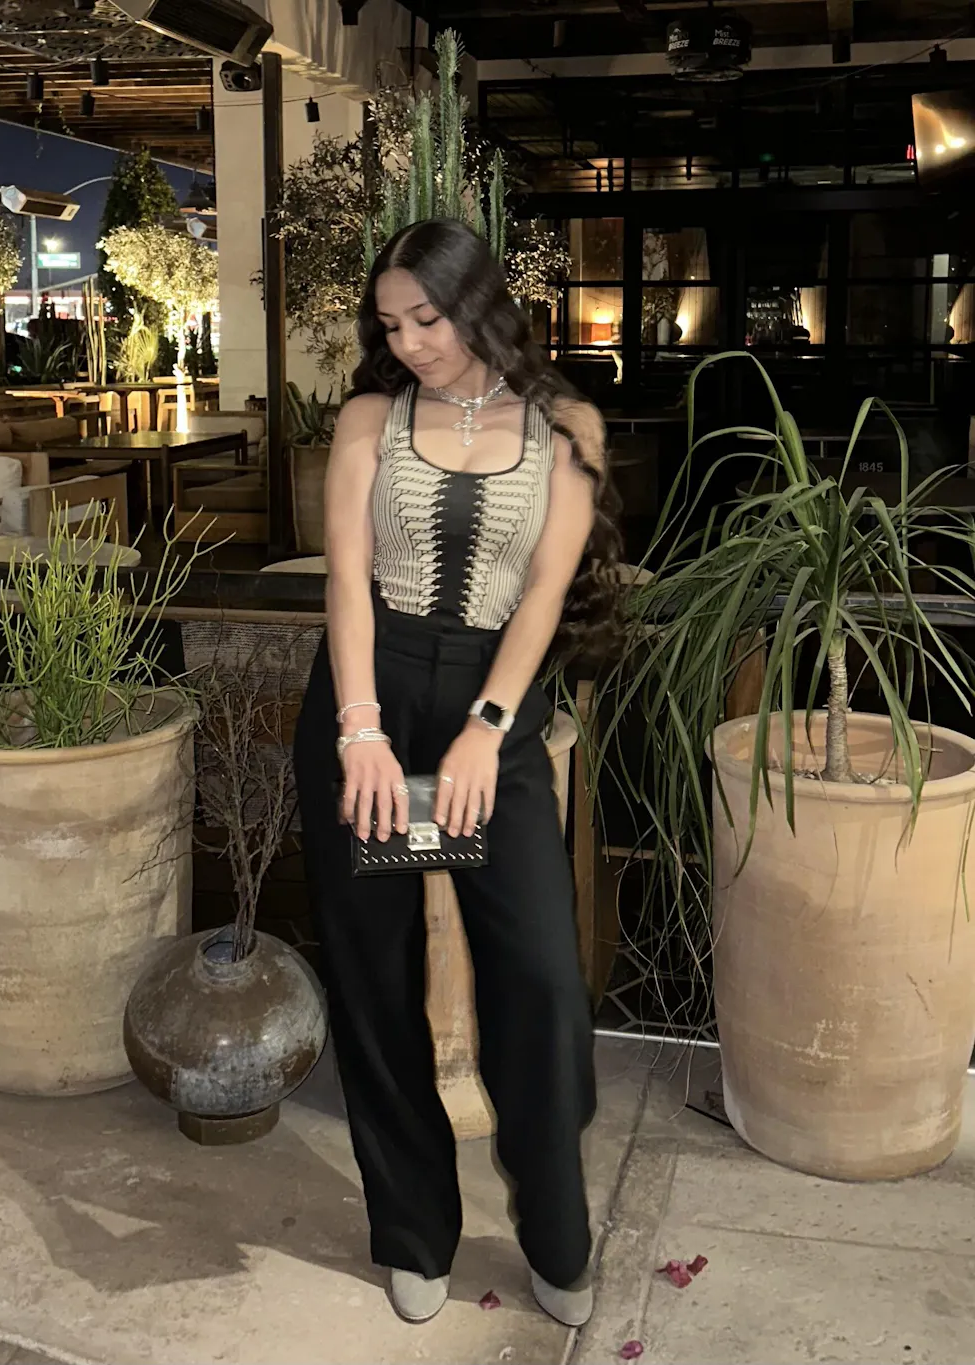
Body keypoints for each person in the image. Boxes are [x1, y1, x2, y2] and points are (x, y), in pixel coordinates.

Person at [294, 217, 621, 1327]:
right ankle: (413, 1230)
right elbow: (346, 580)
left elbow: (544, 593)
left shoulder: (565, 423)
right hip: (367, 695)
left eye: (426, 319)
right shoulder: (368, 419)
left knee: (542, 979)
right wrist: (360, 731)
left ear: (476, 304)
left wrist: (488, 725)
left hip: (496, 704)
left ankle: (558, 1235)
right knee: (374, 979)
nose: (409, 343)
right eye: (390, 325)